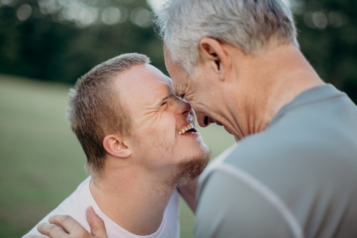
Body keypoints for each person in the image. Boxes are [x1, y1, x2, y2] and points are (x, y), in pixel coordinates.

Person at [34, 0, 357, 237]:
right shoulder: (348, 121)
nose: (199, 119)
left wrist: (234, 187)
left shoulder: (246, 183)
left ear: (215, 58)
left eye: (186, 91)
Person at [24, 53, 209, 238]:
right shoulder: (61, 233)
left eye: (177, 95)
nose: (187, 105)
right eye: (162, 104)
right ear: (119, 145)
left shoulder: (170, 172)